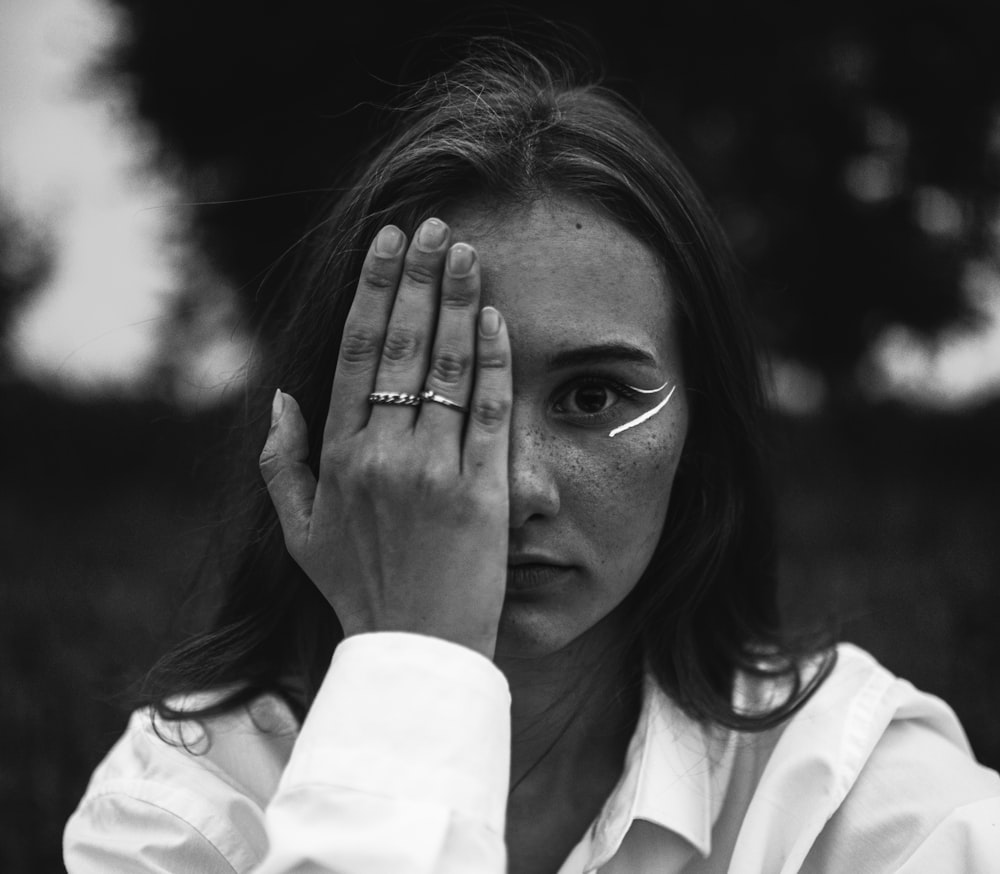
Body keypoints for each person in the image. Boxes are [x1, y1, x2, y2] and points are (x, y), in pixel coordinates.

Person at [64, 41, 1000, 874]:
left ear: (701, 435)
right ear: (322, 443)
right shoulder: (181, 810)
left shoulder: (856, 804)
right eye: (445, 398)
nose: (514, 487)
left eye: (593, 397)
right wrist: (415, 666)